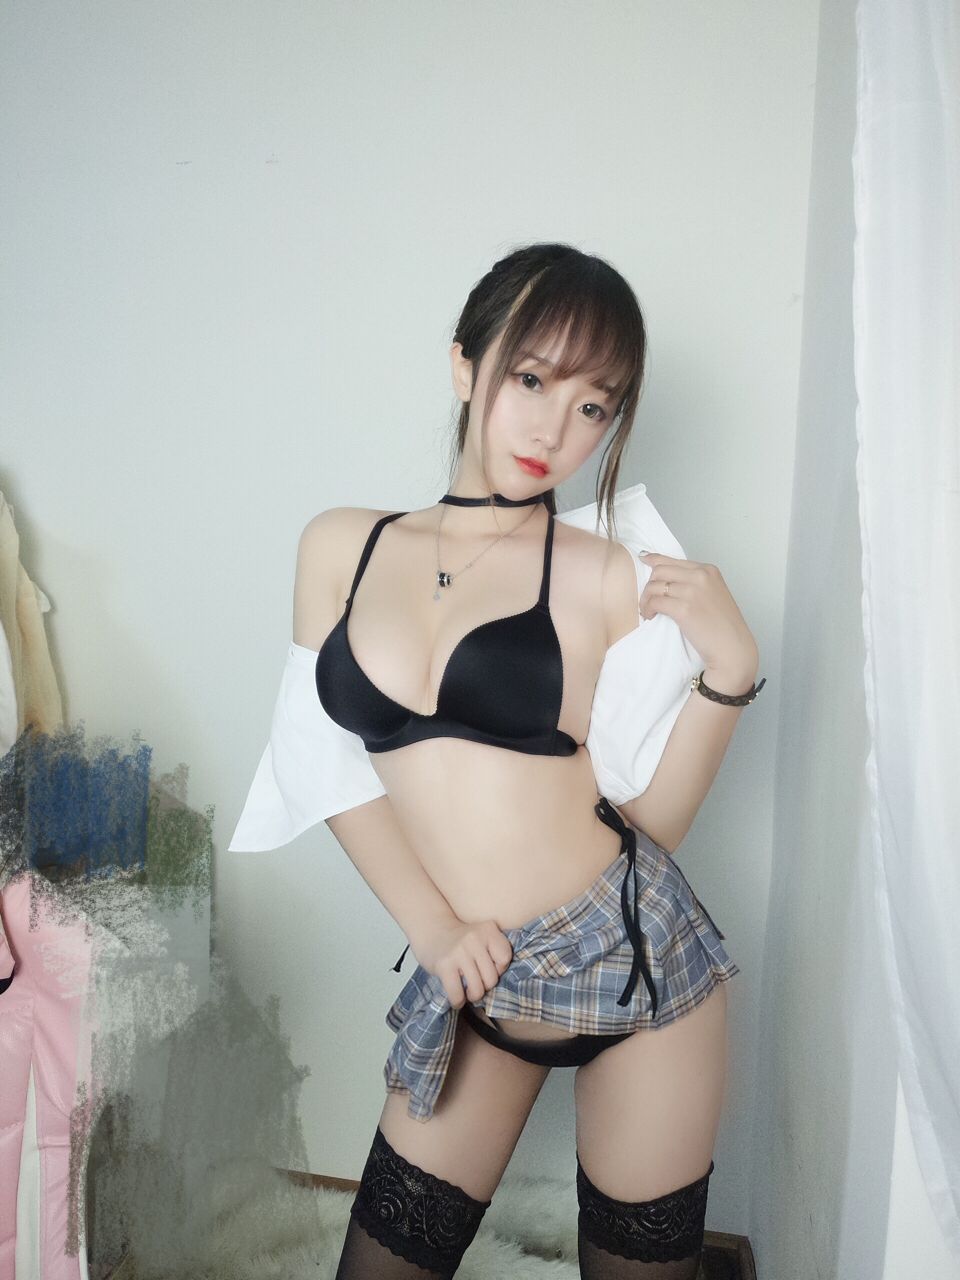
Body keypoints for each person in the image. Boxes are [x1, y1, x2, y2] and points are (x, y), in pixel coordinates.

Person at [229, 242, 764, 1279]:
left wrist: (731, 671)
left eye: (593, 406)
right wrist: (433, 928)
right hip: (476, 975)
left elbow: (649, 826)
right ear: (465, 365)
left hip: (635, 962)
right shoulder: (341, 546)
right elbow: (322, 760)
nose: (555, 430)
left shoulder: (607, 575)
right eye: (531, 380)